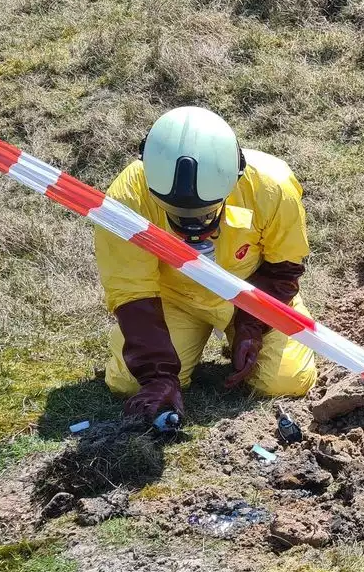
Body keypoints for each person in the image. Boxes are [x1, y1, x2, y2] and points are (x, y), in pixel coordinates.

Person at [95, 106, 317, 419]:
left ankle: (241, 334)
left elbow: (284, 268)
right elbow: (131, 288)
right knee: (128, 383)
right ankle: (165, 355)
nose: (194, 228)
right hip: (174, 297)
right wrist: (157, 374)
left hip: (251, 294)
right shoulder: (127, 197)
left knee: (286, 381)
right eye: (178, 216)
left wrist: (251, 326)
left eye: (206, 214)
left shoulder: (273, 187)